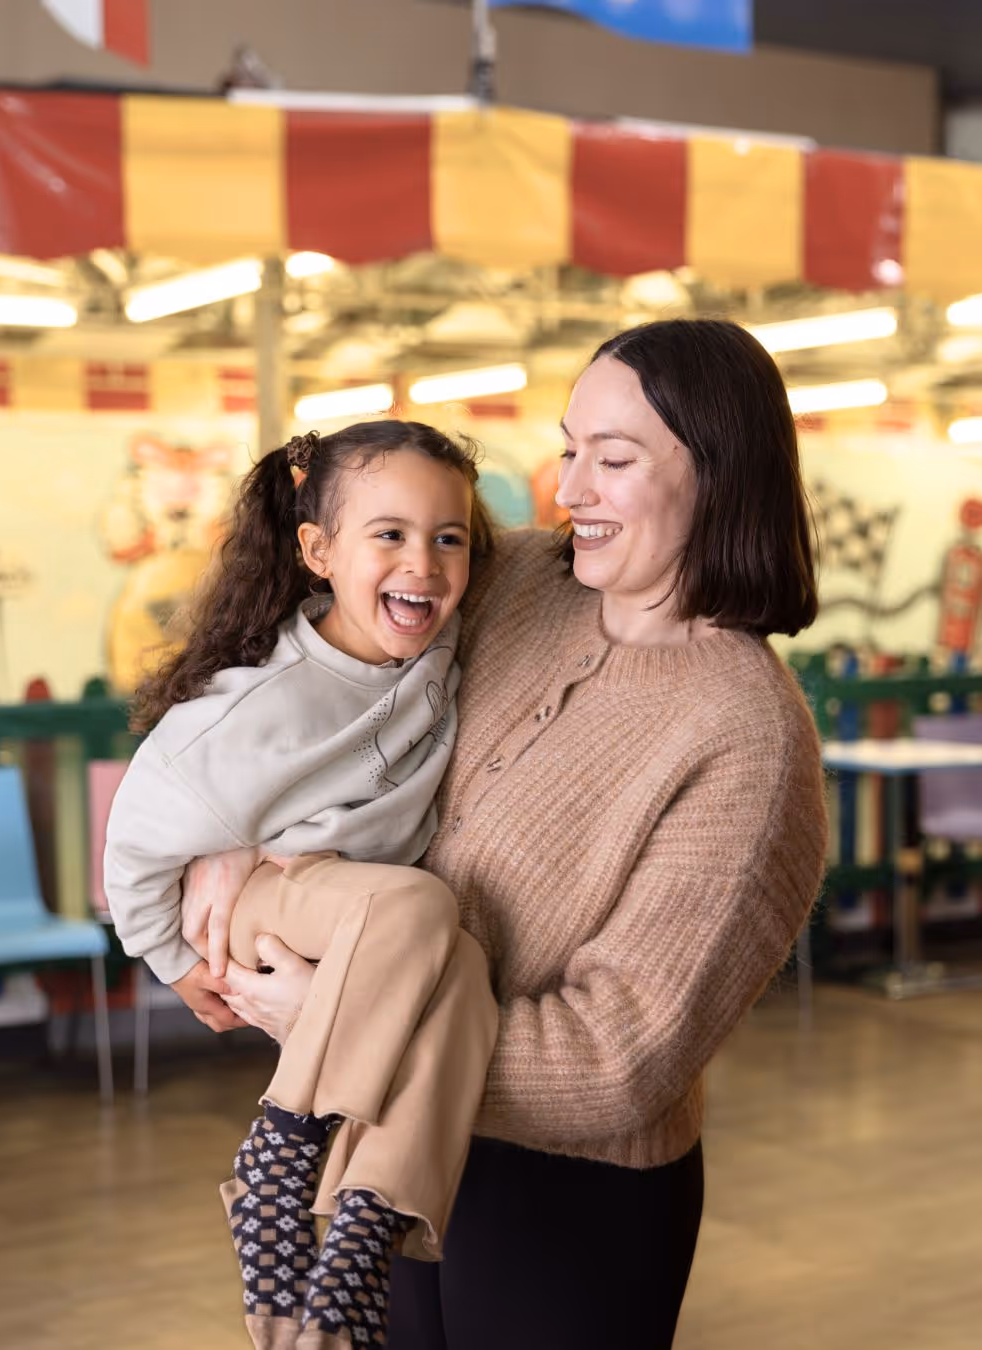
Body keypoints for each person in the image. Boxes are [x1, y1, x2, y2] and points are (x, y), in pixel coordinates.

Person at [186, 318, 830, 1350]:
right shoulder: (517, 580)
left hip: (566, 1202)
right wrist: (224, 830)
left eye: (613, 460)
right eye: (570, 447)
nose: (568, 486)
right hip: (376, 1144)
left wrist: (352, 1020)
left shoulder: (747, 736)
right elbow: (316, 672)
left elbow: (618, 1059)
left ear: (720, 476)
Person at [104, 419, 499, 1350]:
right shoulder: (251, 706)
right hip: (272, 904)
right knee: (423, 904)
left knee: (468, 977)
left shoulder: (434, 643)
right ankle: (284, 1153)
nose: (425, 563)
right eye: (390, 535)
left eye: (450, 539)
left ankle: (366, 1224)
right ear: (318, 551)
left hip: (372, 925)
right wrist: (171, 962)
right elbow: (130, 845)